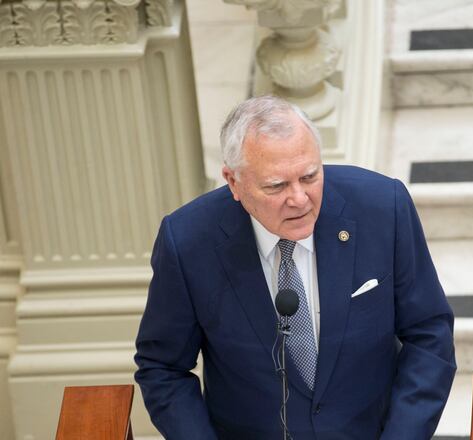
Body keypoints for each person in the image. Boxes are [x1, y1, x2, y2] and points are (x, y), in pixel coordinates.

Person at [134, 95, 456, 439]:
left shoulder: (383, 207)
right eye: (276, 186)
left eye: (309, 176)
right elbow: (163, 368)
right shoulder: (187, 242)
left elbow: (429, 334)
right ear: (233, 182)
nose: (299, 199)